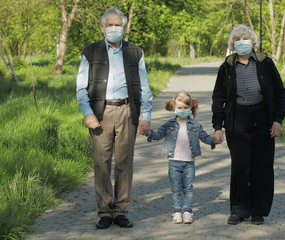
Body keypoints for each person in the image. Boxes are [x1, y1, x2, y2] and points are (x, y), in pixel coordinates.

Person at [76, 6, 153, 229]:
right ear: (102, 28)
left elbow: (144, 86)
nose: (113, 28)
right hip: (100, 113)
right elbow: (81, 87)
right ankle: (104, 212)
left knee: (124, 163)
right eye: (109, 25)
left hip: (127, 111)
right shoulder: (90, 52)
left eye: (117, 24)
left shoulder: (135, 52)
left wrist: (145, 116)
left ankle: (120, 211)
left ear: (124, 27)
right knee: (101, 163)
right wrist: (88, 113)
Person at [212, 24, 285, 225]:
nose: (242, 42)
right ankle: (239, 210)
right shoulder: (226, 67)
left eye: (245, 38)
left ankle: (258, 211)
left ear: (253, 42)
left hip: (263, 119)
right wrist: (217, 127)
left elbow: (279, 92)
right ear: (232, 44)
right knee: (240, 167)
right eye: (237, 39)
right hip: (237, 122)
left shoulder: (265, 62)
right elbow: (218, 98)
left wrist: (277, 120)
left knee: (261, 167)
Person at [145, 91, 216, 224]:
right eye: (179, 108)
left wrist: (214, 140)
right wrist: (148, 132)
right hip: (174, 162)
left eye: (185, 108)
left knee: (188, 188)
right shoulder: (169, 124)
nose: (182, 110)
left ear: (190, 108)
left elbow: (205, 137)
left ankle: (187, 212)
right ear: (174, 108)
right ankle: (177, 212)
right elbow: (158, 134)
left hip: (189, 162)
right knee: (176, 189)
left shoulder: (196, 125)